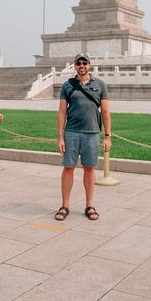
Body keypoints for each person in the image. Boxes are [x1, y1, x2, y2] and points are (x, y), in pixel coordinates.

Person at [56, 53, 111, 221]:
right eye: (78, 63)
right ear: (74, 65)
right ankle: (65, 205)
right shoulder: (68, 85)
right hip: (72, 132)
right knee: (68, 168)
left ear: (89, 65)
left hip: (92, 132)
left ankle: (89, 205)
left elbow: (106, 112)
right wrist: (60, 137)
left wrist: (107, 136)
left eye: (84, 63)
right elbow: (61, 112)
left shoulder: (100, 85)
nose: (81, 65)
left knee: (89, 168)